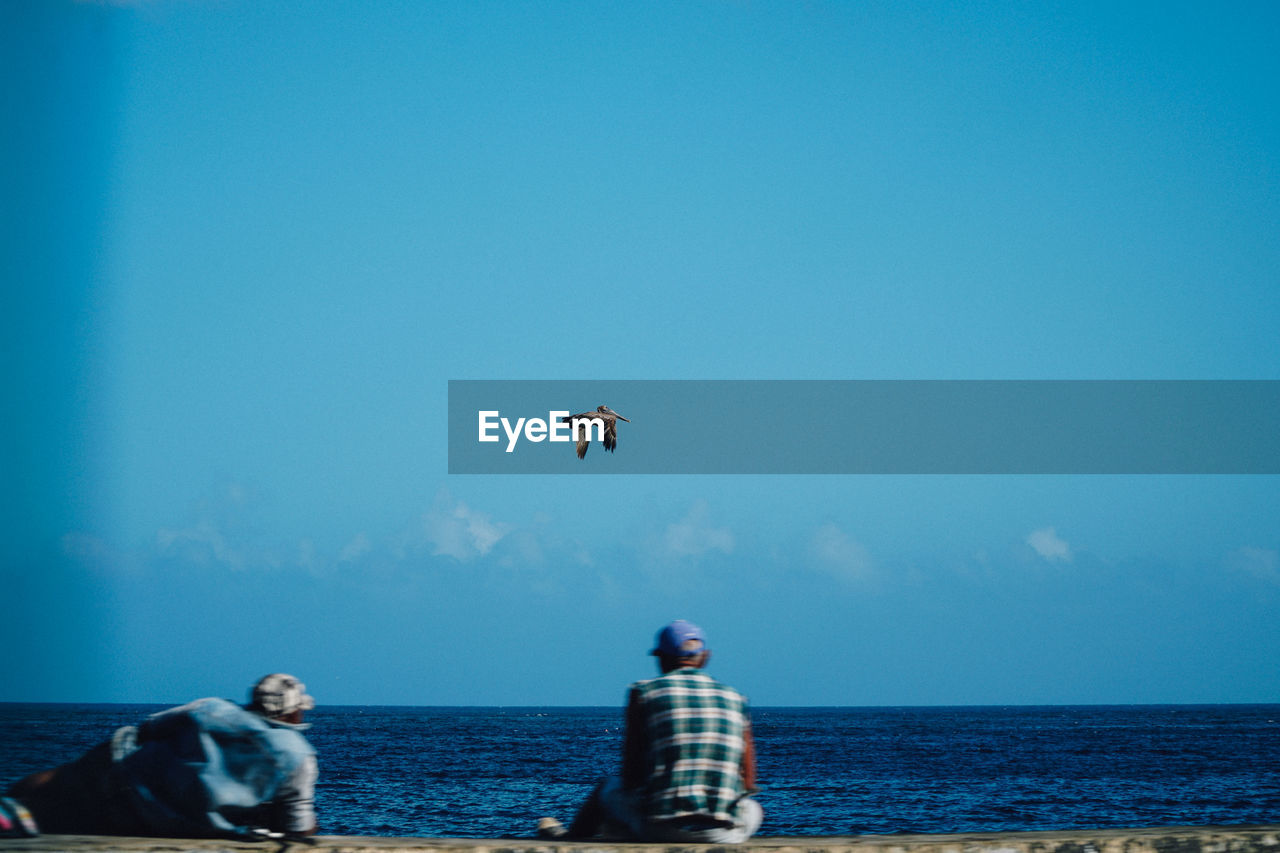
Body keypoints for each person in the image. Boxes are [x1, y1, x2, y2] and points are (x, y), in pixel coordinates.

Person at [7, 673, 318, 839]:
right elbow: (297, 826)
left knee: (60, 782)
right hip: (154, 815)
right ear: (293, 715)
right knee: (57, 822)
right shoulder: (298, 757)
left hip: (122, 766)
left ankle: (11, 801)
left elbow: (149, 728)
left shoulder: (212, 708)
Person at [541, 620, 763, 842]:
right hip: (724, 833)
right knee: (753, 809)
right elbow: (749, 782)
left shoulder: (644, 693)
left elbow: (632, 776)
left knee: (607, 789)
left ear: (663, 658)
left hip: (661, 829)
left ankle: (573, 837)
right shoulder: (736, 698)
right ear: (705, 657)